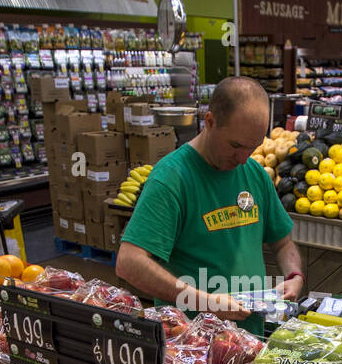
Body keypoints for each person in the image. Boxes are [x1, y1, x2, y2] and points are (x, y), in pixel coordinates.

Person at [116, 76, 304, 336]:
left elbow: (283, 243)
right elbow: (129, 263)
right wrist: (206, 302)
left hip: (249, 338)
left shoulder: (255, 174)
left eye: (253, 147)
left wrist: (294, 275)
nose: (242, 159)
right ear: (209, 122)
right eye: (236, 145)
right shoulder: (171, 178)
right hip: (191, 345)